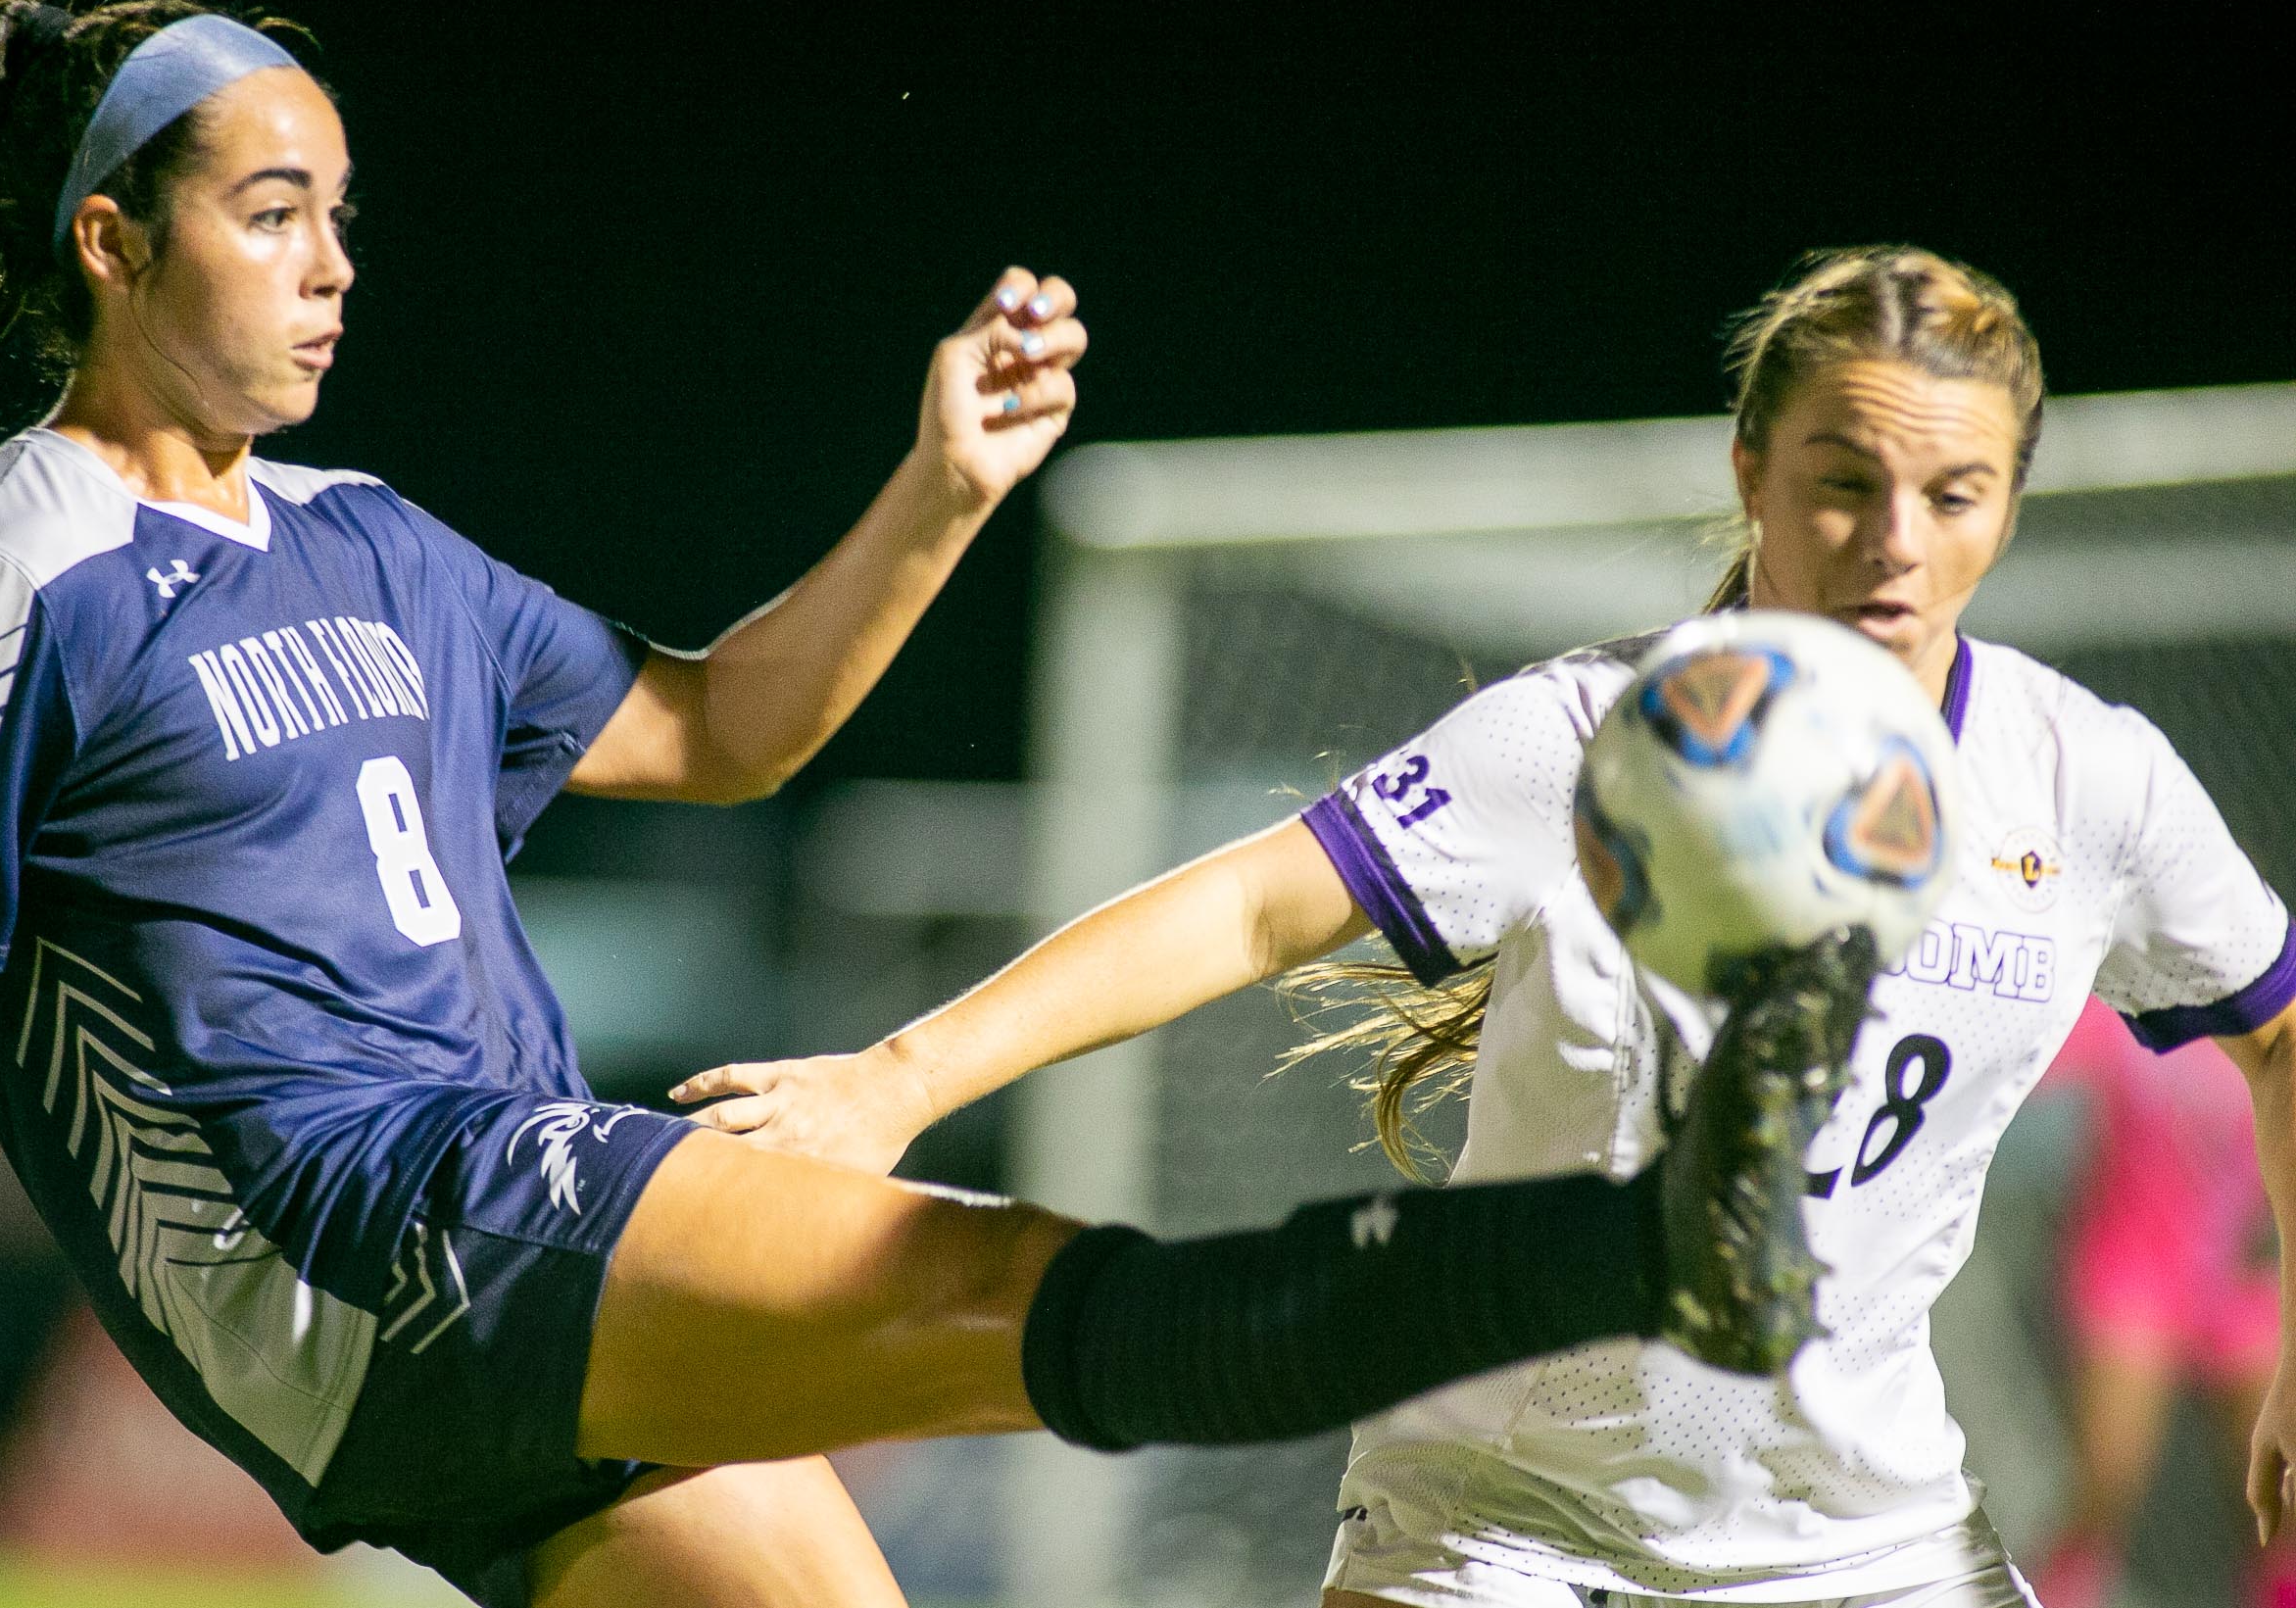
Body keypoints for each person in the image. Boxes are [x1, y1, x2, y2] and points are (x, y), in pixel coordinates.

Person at [0, 0, 1826, 1607]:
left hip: (483, 1306)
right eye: (273, 212)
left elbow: (726, 729)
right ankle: (1617, 1251)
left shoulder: (369, 542)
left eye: (343, 215)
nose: (334, 265)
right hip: (384, 1231)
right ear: (111, 243)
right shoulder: (18, 574)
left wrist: (940, 490)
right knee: (992, 1284)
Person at [684, 245, 2296, 1607]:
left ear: (2008, 502)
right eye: (1841, 480)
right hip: (1502, 1528)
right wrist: (897, 1076)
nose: (1893, 542)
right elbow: (1251, 901)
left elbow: (2276, 1029)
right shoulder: (1584, 734)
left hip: (1862, 1544)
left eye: (1953, 493)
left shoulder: (2086, 783)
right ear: (1749, 466)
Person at [2030, 1000, 2294, 1608]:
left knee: (2281, 1507)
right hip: (2133, 1274)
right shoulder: (2140, 998)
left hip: (2239, 1278)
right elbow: (2032, 1052)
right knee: (2104, 1493)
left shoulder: (2277, 1007)